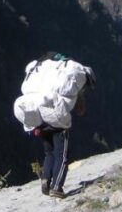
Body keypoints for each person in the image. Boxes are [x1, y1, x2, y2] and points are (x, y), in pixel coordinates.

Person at [13, 52, 93, 198]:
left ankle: (45, 179)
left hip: (40, 120)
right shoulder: (69, 81)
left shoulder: (44, 75)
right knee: (61, 156)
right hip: (57, 121)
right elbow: (80, 109)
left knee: (49, 153)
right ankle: (57, 187)